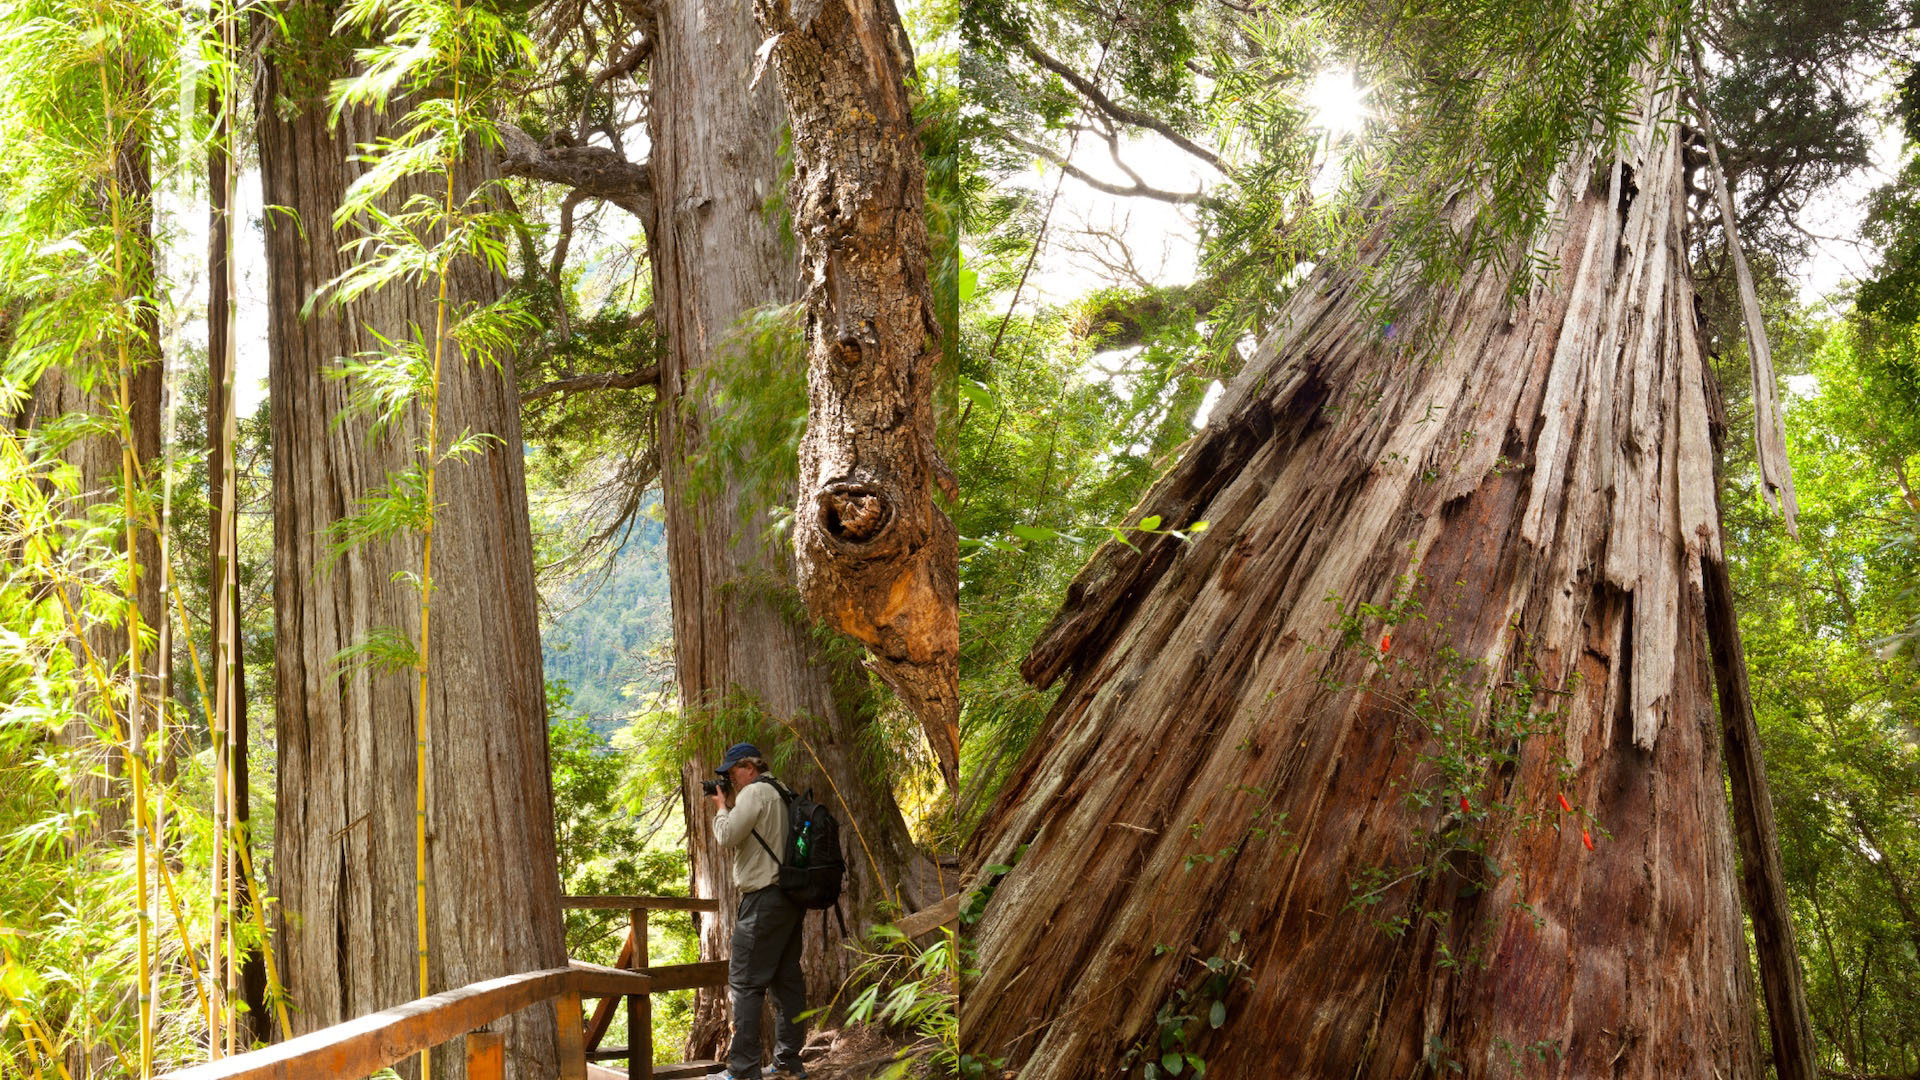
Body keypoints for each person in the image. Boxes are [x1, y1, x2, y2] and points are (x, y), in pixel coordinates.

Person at [707, 742, 808, 1080]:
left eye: (732, 772)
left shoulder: (754, 793)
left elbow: (726, 836)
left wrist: (721, 807)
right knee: (786, 981)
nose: (730, 779)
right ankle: (788, 1062)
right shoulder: (782, 790)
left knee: (745, 983)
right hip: (789, 899)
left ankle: (742, 1071)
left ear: (749, 767)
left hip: (763, 900)